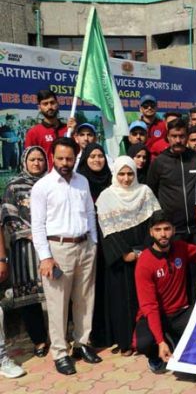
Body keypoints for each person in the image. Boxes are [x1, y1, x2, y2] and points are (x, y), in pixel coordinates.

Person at [30, 137, 101, 375]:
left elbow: (91, 213)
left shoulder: (82, 181)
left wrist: (93, 243)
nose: (64, 162)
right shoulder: (43, 186)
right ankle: (60, 353)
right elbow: (37, 226)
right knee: (58, 304)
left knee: (84, 299)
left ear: (75, 158)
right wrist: (45, 257)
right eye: (60, 158)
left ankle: (82, 343)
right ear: (52, 157)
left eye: (69, 158)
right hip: (57, 250)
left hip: (85, 247)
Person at [96, 156, 160, 356]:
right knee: (123, 301)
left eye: (130, 173)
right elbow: (106, 231)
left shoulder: (145, 192)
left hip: (145, 255)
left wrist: (144, 251)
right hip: (121, 260)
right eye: (121, 174)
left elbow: (155, 223)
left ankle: (149, 339)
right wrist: (125, 254)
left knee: (147, 298)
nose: (126, 178)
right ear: (115, 174)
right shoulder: (106, 197)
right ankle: (126, 342)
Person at [134, 211, 196, 374]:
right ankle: (157, 354)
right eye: (158, 229)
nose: (163, 234)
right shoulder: (144, 262)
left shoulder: (181, 248)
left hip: (180, 313)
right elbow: (149, 306)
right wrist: (160, 341)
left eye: (167, 229)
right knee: (144, 344)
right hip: (155, 315)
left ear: (174, 230)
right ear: (151, 232)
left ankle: (174, 339)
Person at [0, 147, 50, 359]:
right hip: (25, 247)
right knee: (30, 297)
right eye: (32, 159)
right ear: (24, 161)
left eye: (40, 159)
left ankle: (59, 336)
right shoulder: (14, 185)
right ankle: (39, 340)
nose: (37, 163)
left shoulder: (51, 183)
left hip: (50, 244)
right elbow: (8, 214)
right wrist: (32, 233)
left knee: (55, 292)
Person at [75, 143, 112, 348]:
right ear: (85, 159)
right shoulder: (79, 182)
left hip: (109, 241)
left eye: (100, 156)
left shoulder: (111, 180)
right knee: (89, 289)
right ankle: (91, 334)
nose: (97, 160)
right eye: (92, 156)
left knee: (108, 286)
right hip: (88, 242)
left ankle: (110, 331)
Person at [147, 118, 196, 243]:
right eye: (174, 136)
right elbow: (151, 193)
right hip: (172, 231)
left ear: (187, 136)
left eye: (182, 136)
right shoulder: (159, 162)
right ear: (167, 137)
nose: (178, 140)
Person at [24, 90, 76, 167]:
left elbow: (78, 154)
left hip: (68, 176)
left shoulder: (69, 130)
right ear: (39, 107)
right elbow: (29, 161)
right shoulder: (33, 133)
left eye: (52, 103)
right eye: (45, 104)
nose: (49, 107)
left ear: (57, 104)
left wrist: (73, 134)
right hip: (46, 177)